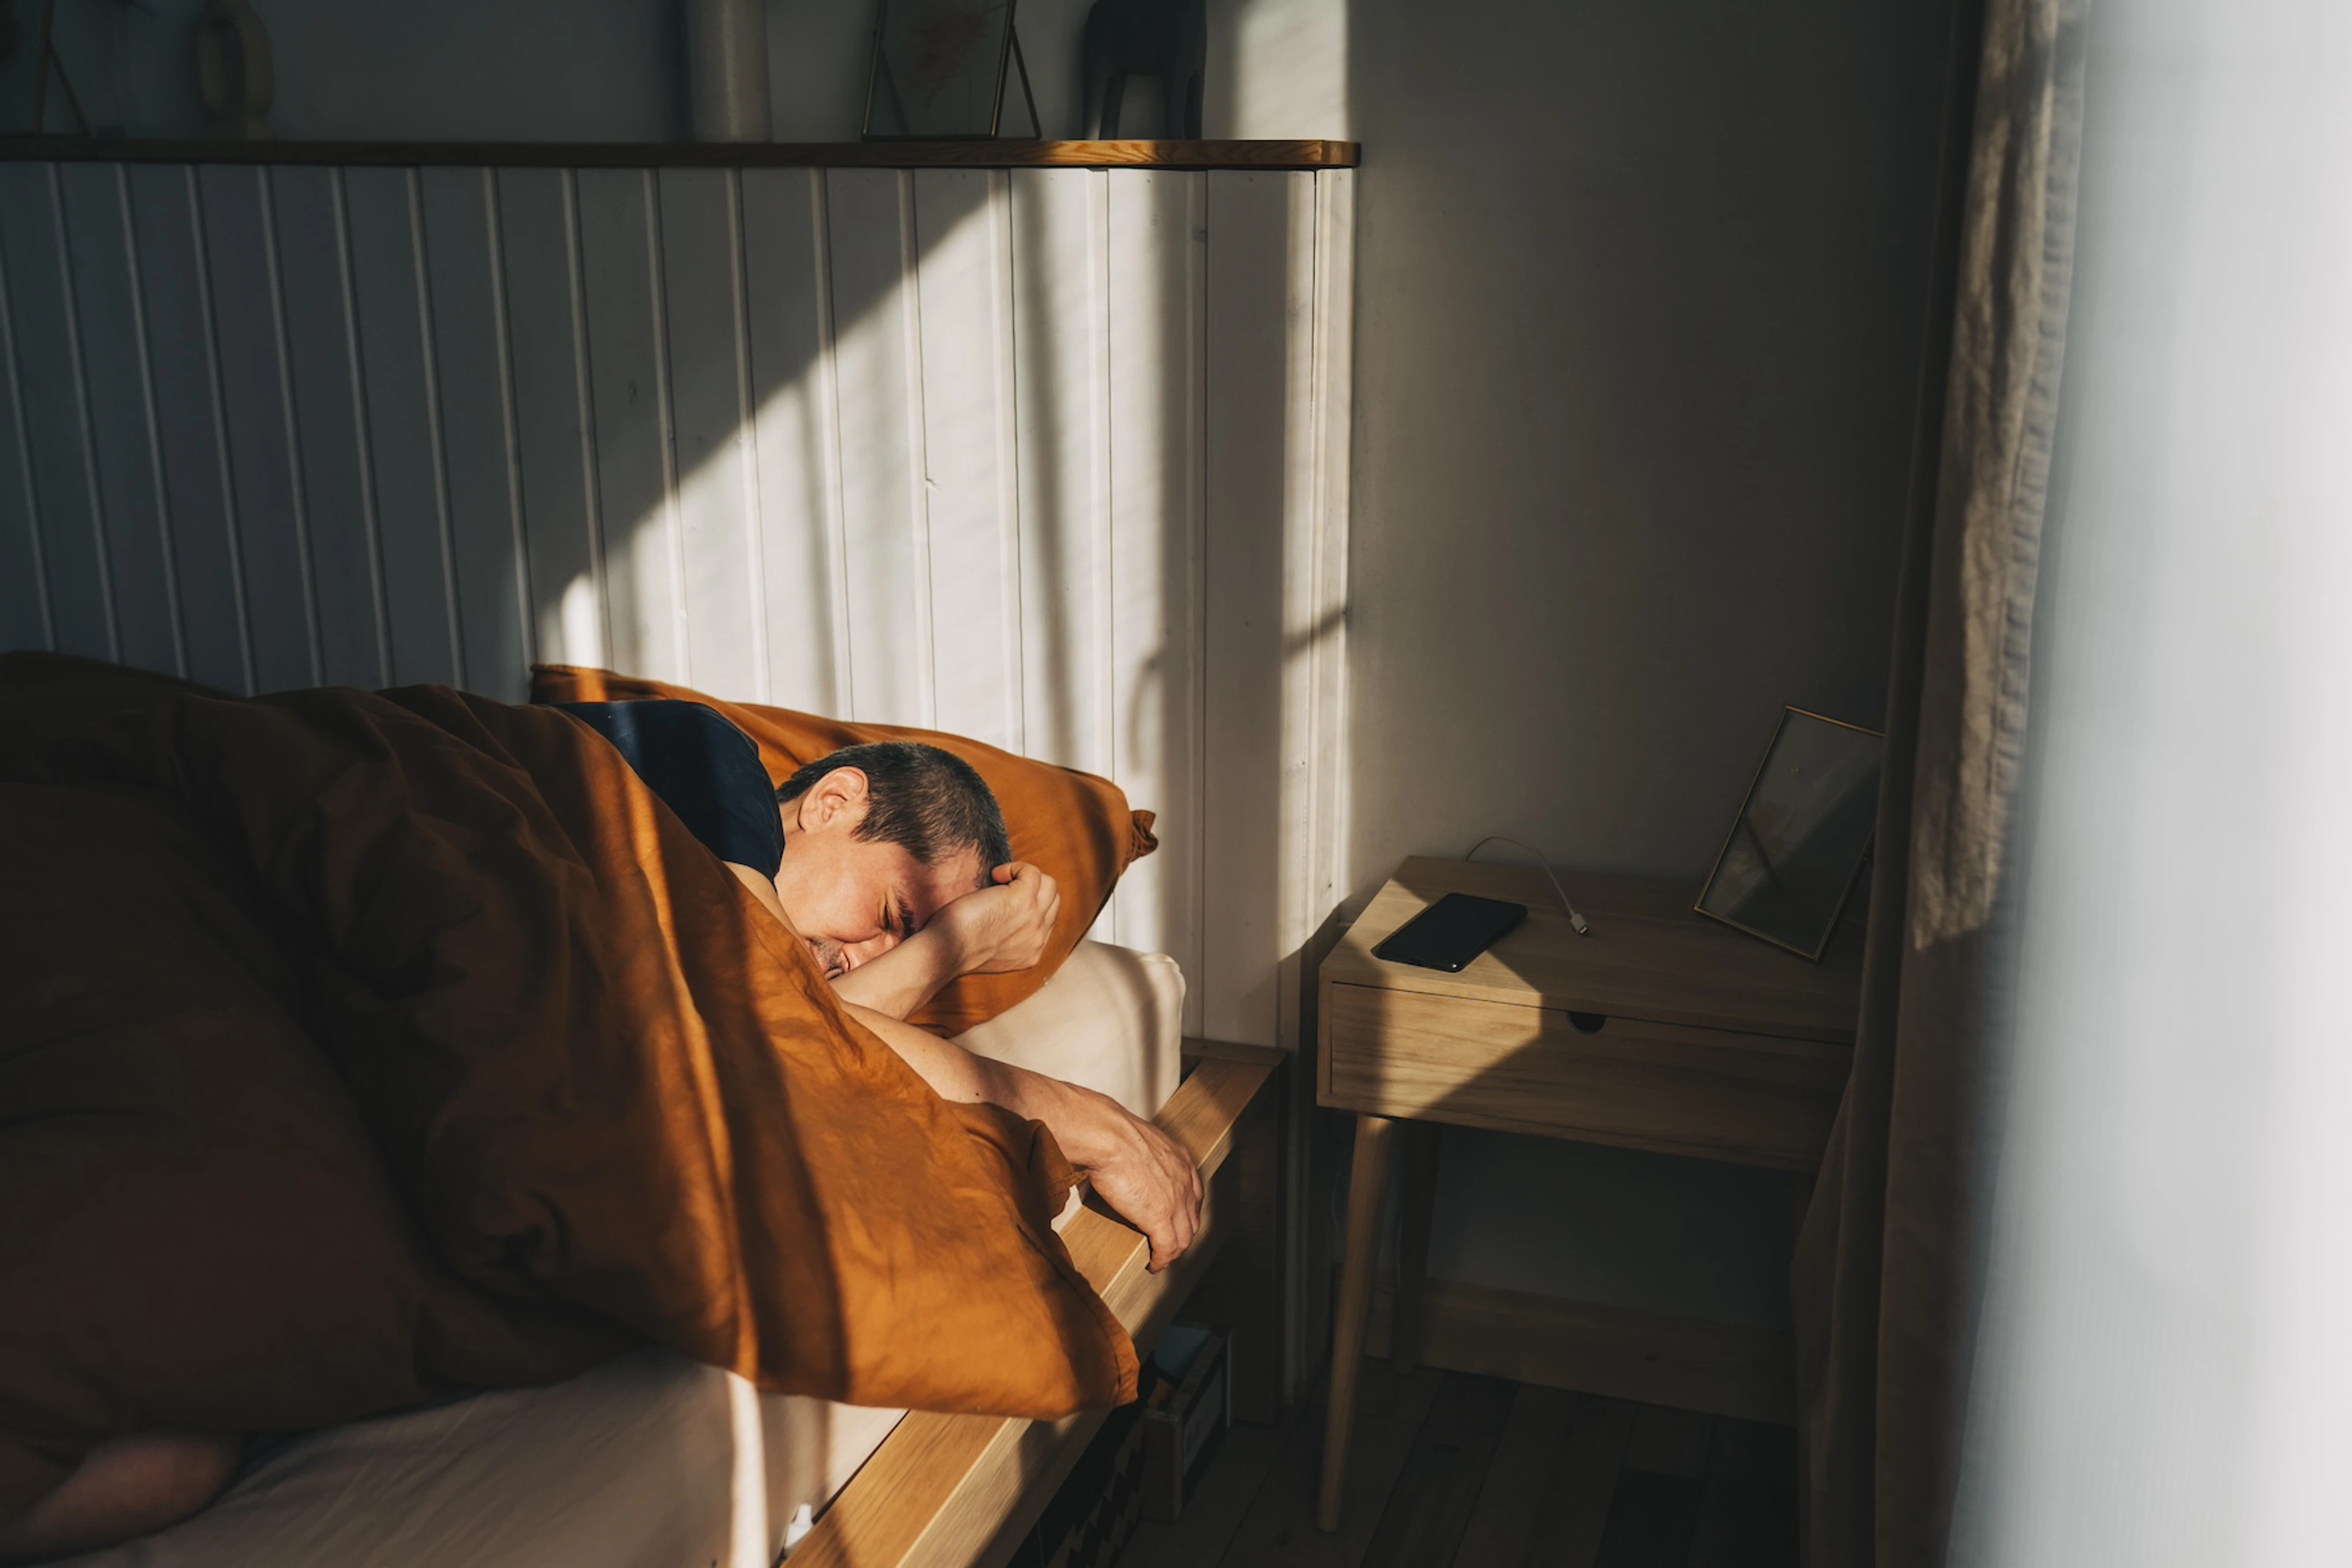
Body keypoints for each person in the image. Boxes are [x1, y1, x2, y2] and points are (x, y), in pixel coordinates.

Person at [555, 701, 1202, 1274]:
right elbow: (776, 1023)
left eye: (909, 947)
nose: (861, 963)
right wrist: (1099, 1126)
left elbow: (782, 1039)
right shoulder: (708, 756)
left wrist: (943, 952)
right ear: (832, 802)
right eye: (894, 918)